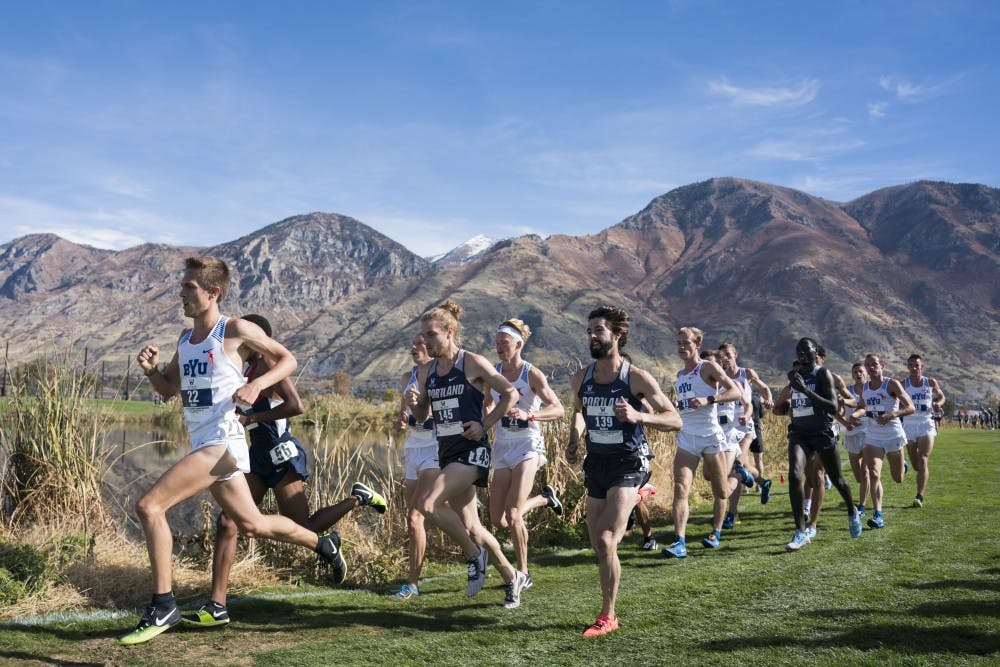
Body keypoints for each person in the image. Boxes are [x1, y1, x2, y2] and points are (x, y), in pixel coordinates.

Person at [124, 257, 345, 645]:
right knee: (253, 524)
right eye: (182, 287)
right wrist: (151, 371)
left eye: (189, 288)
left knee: (150, 507)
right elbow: (168, 390)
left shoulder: (236, 330)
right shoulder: (184, 339)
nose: (181, 293)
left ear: (213, 293)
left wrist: (258, 387)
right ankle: (322, 544)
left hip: (222, 443)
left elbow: (287, 359)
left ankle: (163, 604)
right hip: (204, 442)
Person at [182, 314, 387, 628]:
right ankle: (217, 606)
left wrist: (252, 419)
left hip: (281, 454)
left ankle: (356, 501)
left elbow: (296, 405)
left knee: (304, 526)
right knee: (228, 521)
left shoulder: (266, 367)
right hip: (255, 456)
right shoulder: (237, 364)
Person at [565, 306, 681, 637]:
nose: (592, 336)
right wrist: (575, 438)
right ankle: (636, 498)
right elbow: (579, 412)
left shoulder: (635, 378)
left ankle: (608, 616)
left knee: (605, 539)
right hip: (597, 464)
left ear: (617, 336)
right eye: (589, 330)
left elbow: (674, 419)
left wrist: (639, 416)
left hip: (628, 462)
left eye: (598, 330)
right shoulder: (582, 378)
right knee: (600, 547)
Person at [406, 301, 528, 609]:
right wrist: (415, 403)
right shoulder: (427, 372)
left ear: (449, 332)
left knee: (428, 504)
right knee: (473, 527)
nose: (426, 341)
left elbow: (510, 393)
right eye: (423, 336)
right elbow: (422, 416)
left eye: (431, 335)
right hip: (447, 451)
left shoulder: (470, 362)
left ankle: (474, 556)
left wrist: (485, 423)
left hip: (472, 451)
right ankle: (512, 577)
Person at [486, 318, 566, 588]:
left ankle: (523, 573)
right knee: (497, 519)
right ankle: (544, 499)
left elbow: (558, 408)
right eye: (496, 343)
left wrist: (530, 414)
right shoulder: (493, 373)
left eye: (504, 343)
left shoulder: (531, 374)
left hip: (527, 444)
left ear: (518, 344)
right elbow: (487, 404)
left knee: (513, 514)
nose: (499, 347)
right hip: (503, 445)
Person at [773, 338, 863, 551]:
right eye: (799, 351)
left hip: (822, 432)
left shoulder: (823, 374)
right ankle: (800, 532)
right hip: (799, 433)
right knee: (795, 474)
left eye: (807, 350)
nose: (803, 354)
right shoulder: (794, 376)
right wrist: (788, 403)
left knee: (837, 479)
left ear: (816, 353)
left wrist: (805, 391)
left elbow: (832, 406)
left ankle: (852, 511)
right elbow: (783, 405)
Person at [662, 327, 740, 558]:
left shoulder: (707, 367)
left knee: (722, 491)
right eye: (679, 343)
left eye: (686, 343)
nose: (682, 347)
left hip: (710, 437)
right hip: (687, 437)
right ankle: (680, 541)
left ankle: (737, 480)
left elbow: (735, 391)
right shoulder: (680, 375)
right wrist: (679, 406)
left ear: (697, 344)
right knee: (680, 486)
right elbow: (687, 403)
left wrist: (709, 399)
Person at [389, 333, 439, 600]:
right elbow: (404, 414)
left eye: (419, 344)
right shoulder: (405, 377)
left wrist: (423, 411)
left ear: (431, 347)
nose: (413, 348)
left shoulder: (439, 375)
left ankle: (413, 584)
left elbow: (441, 415)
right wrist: (401, 422)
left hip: (435, 449)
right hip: (412, 450)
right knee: (415, 522)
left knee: (415, 518)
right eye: (413, 344)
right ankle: (474, 546)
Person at [717, 342, 774, 530]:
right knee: (745, 466)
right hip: (728, 428)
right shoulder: (720, 377)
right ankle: (763, 483)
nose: (726, 358)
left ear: (735, 354)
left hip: (746, 425)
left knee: (738, 466)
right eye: (722, 355)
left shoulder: (746, 373)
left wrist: (768, 399)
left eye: (728, 354)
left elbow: (764, 388)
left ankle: (731, 514)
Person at [860, 354, 915, 529]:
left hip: (893, 434)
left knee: (897, 478)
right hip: (873, 435)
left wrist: (892, 414)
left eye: (874, 364)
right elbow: (863, 405)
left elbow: (911, 407)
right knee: (874, 473)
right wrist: (854, 417)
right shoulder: (865, 387)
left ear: (882, 366)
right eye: (868, 365)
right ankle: (878, 515)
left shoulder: (891, 384)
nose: (871, 368)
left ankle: (902, 466)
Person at [902, 354, 946, 508]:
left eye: (917, 365)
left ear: (922, 367)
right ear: (907, 367)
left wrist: (938, 404)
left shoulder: (930, 382)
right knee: (916, 465)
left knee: (923, 459)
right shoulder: (903, 384)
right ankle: (906, 465)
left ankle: (919, 496)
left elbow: (941, 397)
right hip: (909, 424)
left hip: (926, 422)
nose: (914, 368)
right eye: (911, 365)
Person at [843, 362, 870, 518]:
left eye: (861, 371)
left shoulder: (871, 390)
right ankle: (866, 489)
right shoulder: (848, 392)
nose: (858, 374)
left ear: (865, 374)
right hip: (852, 434)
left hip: (868, 432)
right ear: (852, 375)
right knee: (858, 476)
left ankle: (861, 506)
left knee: (866, 472)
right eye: (855, 372)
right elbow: (839, 410)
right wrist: (844, 422)